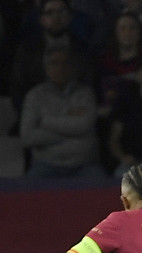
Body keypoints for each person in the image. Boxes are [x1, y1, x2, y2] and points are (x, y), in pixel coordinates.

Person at [20, 46, 106, 178]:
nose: (60, 68)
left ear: (73, 67)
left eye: (66, 63)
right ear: (46, 67)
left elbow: (85, 125)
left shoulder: (85, 94)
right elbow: (28, 137)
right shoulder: (35, 96)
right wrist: (74, 134)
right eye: (55, 63)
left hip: (84, 165)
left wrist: (45, 121)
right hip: (46, 165)